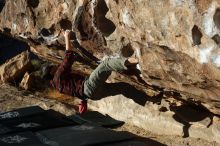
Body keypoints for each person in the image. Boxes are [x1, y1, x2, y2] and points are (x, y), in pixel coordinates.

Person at [50, 30, 139, 114]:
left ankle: (149, 99)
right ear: (51, 72)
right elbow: (68, 58)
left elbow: (75, 89)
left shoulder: (57, 87)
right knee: (106, 64)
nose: (56, 66)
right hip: (89, 86)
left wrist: (83, 101)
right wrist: (66, 37)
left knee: (122, 87)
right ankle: (135, 61)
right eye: (53, 67)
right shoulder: (58, 76)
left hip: (94, 96)